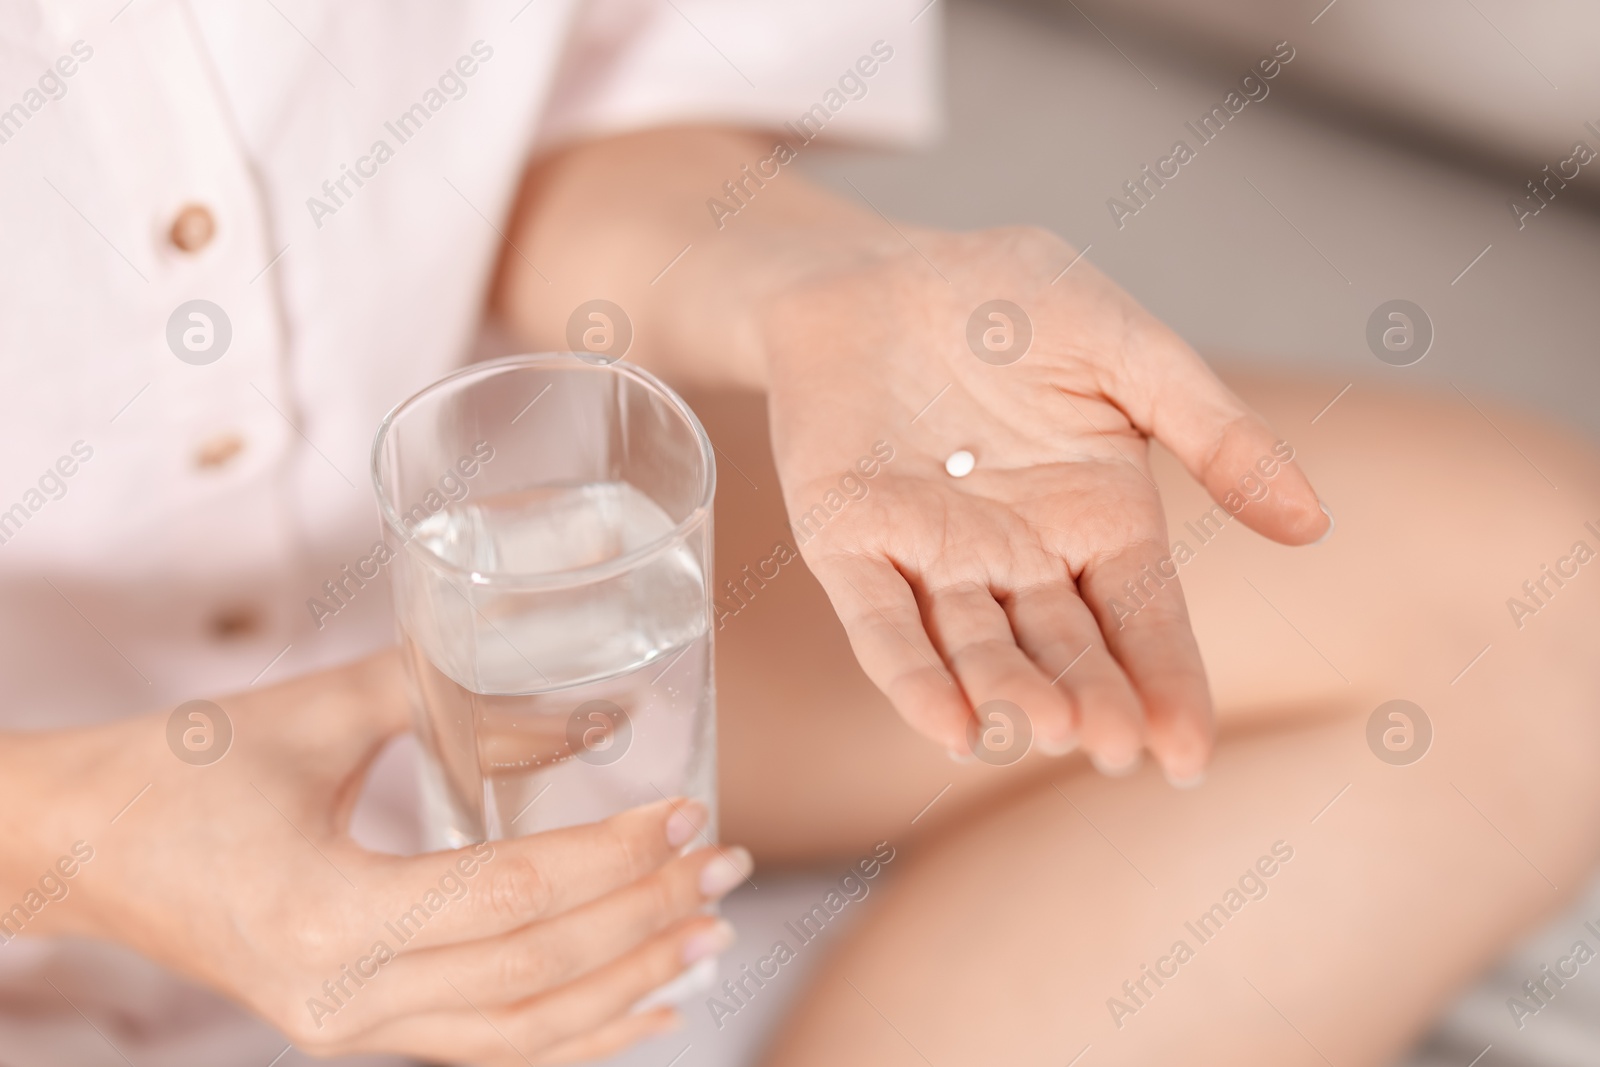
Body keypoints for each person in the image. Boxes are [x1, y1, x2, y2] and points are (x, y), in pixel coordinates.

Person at [3, 2, 1598, 1065]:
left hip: (500, 582)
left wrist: (800, 284)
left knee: (1546, 611)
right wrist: (80, 844)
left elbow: (564, 110)